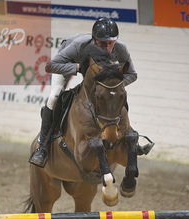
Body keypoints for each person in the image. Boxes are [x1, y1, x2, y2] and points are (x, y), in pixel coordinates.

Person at [29, 17, 139, 167]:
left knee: (115, 97)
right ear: (94, 40)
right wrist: (77, 67)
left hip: (100, 80)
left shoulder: (120, 49)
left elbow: (132, 74)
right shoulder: (79, 46)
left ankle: (128, 138)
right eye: (102, 43)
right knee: (54, 97)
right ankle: (43, 146)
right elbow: (51, 66)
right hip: (67, 65)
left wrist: (114, 86)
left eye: (110, 43)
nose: (107, 47)